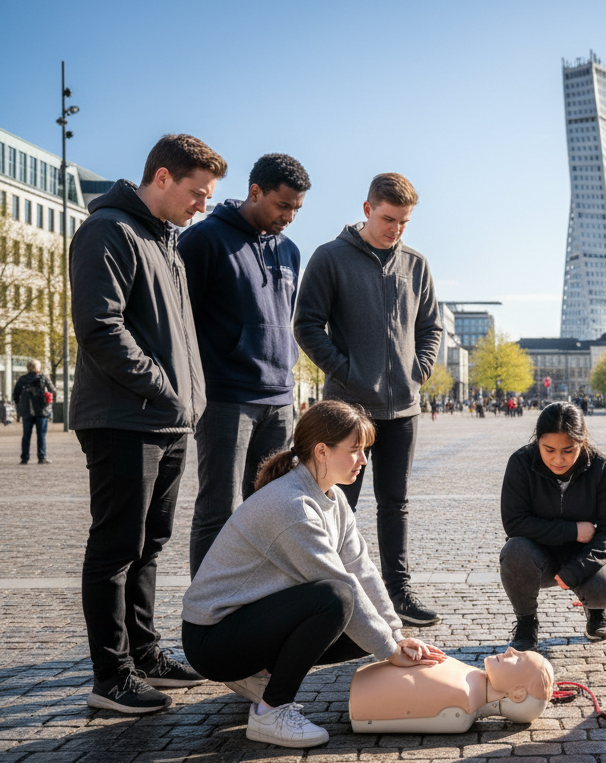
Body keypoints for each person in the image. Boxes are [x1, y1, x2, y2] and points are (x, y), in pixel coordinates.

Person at [182, 400, 446, 748]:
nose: (364, 461)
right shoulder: (292, 506)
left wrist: (394, 637)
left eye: (364, 450)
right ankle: (271, 713)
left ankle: (257, 675)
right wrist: (388, 649)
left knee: (361, 623)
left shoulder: (332, 498)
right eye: (354, 451)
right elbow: (340, 583)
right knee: (335, 600)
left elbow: (362, 570)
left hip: (244, 626)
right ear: (322, 451)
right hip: (212, 639)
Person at [69, 135, 228, 713]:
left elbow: (181, 336)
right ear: (162, 177)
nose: (202, 206)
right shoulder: (108, 231)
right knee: (115, 547)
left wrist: (193, 396)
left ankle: (144, 652)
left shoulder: (167, 241)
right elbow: (100, 327)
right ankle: (110, 676)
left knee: (150, 543)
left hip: (167, 420)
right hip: (122, 419)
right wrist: (166, 390)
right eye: (196, 193)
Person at [294, 173, 443, 627]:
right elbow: (307, 326)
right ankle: (342, 593)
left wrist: (418, 370)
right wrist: (349, 372)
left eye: (403, 221)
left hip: (402, 410)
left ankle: (398, 592)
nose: (395, 228)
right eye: (388, 218)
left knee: (394, 503)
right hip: (347, 412)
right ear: (366, 209)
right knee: (339, 502)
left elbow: (431, 328)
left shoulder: (416, 264)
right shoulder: (331, 258)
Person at [179, 154, 311, 577]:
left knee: (274, 509)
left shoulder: (290, 251)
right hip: (225, 398)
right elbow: (183, 323)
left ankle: (257, 603)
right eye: (282, 205)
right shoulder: (203, 241)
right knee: (219, 508)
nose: (289, 217)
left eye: (297, 208)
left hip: (279, 399)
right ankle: (206, 613)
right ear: (255, 192)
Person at [500, 402, 606, 652]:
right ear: (537, 441)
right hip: (536, 554)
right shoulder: (521, 463)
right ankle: (526, 621)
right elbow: (514, 522)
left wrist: (577, 570)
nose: (558, 459)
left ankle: (596, 611)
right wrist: (573, 531)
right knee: (514, 551)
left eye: (568, 450)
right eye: (549, 450)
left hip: (584, 555)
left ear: (583, 441)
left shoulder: (603, 469)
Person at [349, 647, 554, 733]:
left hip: (360, 693)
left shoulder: (463, 701)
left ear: (517, 694)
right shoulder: (471, 683)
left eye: (518, 658)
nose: (510, 650)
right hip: (363, 683)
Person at [13, 359, 54, 464]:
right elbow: (53, 391)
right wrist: (48, 399)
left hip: (27, 411)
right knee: (41, 435)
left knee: (26, 435)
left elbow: (15, 395)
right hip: (41, 411)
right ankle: (42, 457)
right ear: (38, 368)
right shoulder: (43, 378)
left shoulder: (22, 379)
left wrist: (20, 406)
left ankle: (24, 458)